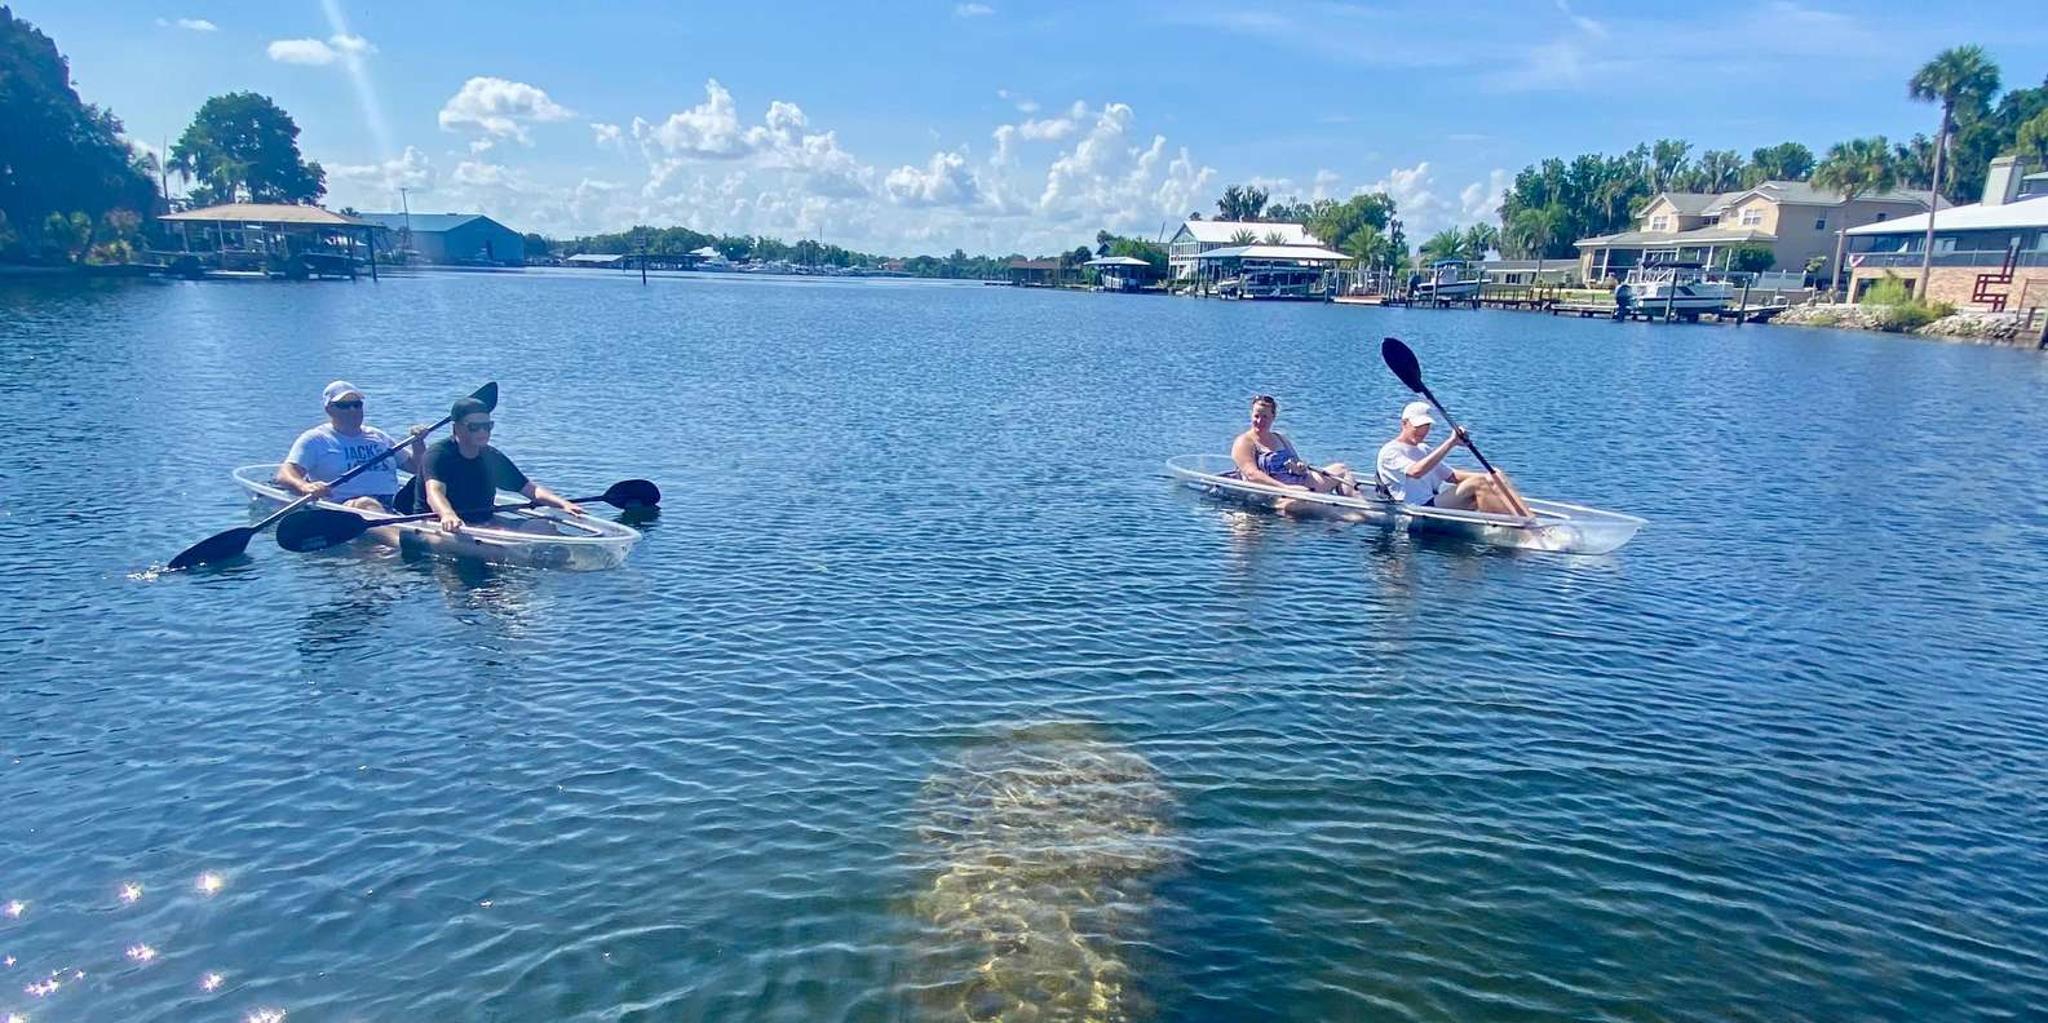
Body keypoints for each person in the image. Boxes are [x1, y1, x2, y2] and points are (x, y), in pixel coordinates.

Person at [423, 396, 583, 533]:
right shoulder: (439, 454)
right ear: (456, 428)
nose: (482, 432)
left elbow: (530, 489)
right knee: (501, 550)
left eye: (487, 426)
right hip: (440, 524)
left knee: (545, 527)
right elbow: (434, 493)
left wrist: (563, 504)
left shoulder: (491, 456)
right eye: (474, 427)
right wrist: (447, 514)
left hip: (482, 521)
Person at [278, 381, 425, 512]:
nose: (352, 410)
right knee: (366, 504)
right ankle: (399, 539)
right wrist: (305, 486)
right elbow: (285, 474)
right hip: (346, 508)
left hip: (392, 505)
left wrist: (418, 443)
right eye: (344, 406)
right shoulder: (315, 439)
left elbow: (417, 468)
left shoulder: (378, 436)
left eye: (357, 405)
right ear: (329, 409)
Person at [1375, 400, 1518, 514]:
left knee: (1496, 476)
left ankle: (1527, 520)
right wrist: (1451, 442)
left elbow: (1452, 476)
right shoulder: (1390, 451)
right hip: (1415, 508)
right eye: (1418, 426)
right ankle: (1506, 529)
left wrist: (1491, 477)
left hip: (1432, 503)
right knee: (1479, 483)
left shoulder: (1424, 449)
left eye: (1426, 426)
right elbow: (1416, 472)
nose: (1423, 431)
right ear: (1404, 424)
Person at [1229, 394, 1356, 496]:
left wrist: (1300, 467)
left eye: (1265, 417)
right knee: (1314, 505)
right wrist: (1286, 489)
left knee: (1341, 469)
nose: (1260, 421)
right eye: (1256, 416)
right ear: (1251, 415)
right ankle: (1353, 517)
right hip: (1277, 493)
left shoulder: (1280, 438)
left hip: (1301, 485)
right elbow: (1252, 475)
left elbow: (1299, 463)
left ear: (1273, 417)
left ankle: (1362, 505)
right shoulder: (1244, 442)